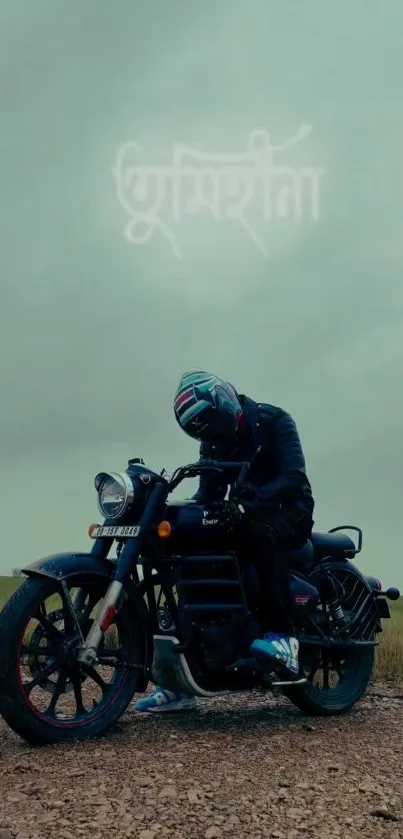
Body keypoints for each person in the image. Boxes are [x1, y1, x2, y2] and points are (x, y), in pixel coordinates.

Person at [136, 370, 314, 713]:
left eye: (215, 425)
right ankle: (183, 680)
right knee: (194, 542)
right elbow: (209, 489)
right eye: (206, 432)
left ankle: (285, 637)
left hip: (290, 510)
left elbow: (294, 477)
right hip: (244, 511)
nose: (214, 437)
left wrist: (248, 504)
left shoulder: (275, 420)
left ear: (226, 404)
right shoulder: (213, 441)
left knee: (261, 531)